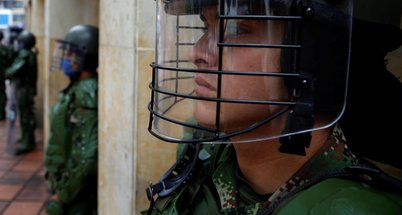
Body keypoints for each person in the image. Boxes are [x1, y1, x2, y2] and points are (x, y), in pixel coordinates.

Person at [144, 0, 402, 214]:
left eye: (237, 28)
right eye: (205, 26)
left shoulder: (359, 208)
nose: (197, 53)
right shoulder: (203, 158)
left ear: (314, 58)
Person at [44, 24, 99, 215]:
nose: (65, 59)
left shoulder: (87, 91)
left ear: (84, 57)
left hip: (75, 194)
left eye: (70, 54)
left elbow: (87, 157)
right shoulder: (77, 85)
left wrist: (62, 195)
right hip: (65, 181)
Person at [5, 31, 38, 155]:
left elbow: (15, 70)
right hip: (25, 89)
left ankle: (27, 142)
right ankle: (27, 138)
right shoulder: (29, 53)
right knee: (26, 116)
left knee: (25, 117)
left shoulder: (25, 54)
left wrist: (7, 72)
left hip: (25, 89)